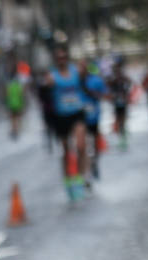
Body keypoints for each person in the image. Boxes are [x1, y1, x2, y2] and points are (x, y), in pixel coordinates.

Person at [45, 46, 88, 202]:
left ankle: (82, 178)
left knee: (81, 146)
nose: (62, 60)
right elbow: (46, 86)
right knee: (65, 150)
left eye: (64, 57)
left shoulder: (76, 71)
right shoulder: (52, 75)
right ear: (56, 60)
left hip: (77, 113)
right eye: (59, 58)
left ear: (67, 58)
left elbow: (85, 76)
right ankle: (68, 179)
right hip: (61, 116)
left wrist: (85, 68)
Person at [79, 60, 107, 182]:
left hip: (94, 116)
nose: (81, 70)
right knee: (82, 145)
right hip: (79, 118)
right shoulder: (74, 81)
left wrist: (89, 92)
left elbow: (103, 95)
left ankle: (95, 161)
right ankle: (85, 172)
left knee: (94, 141)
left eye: (83, 67)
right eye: (79, 67)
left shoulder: (96, 80)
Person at [106, 59, 133, 150]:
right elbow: (107, 87)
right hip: (116, 102)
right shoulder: (112, 79)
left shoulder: (123, 77)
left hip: (123, 102)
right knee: (118, 119)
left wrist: (126, 94)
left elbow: (130, 83)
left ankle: (123, 135)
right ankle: (121, 135)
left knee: (123, 120)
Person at [5, 70, 26, 139]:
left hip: (11, 104)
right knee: (18, 116)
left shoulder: (9, 86)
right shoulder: (18, 86)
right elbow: (21, 95)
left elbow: (7, 95)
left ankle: (14, 129)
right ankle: (19, 127)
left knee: (13, 118)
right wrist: (23, 103)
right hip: (18, 104)